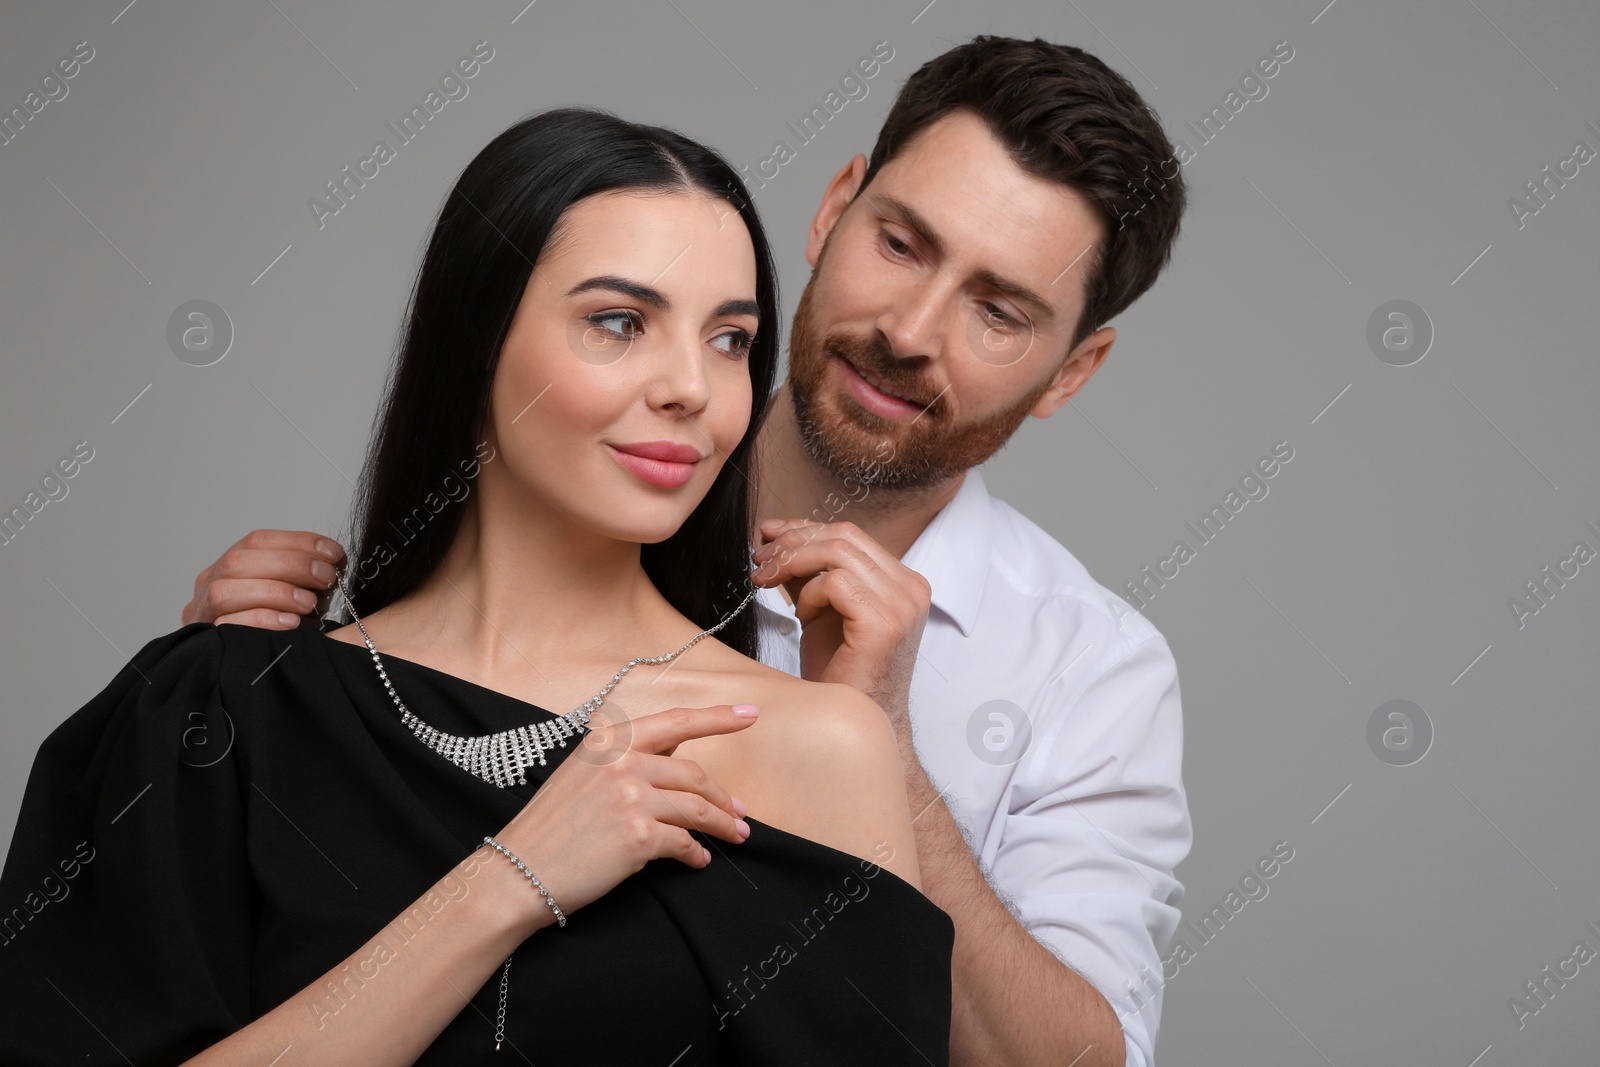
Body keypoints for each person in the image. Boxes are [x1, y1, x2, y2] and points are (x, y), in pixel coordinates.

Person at [182, 36, 1194, 1067]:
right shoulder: (574, 468)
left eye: (998, 310)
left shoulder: (1091, 668)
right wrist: (234, 703)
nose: (909, 328)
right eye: (900, 242)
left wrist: (879, 738)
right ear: (834, 204)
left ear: (1073, 372)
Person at [0, 107, 956, 1066]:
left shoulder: (814, 746)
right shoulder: (219, 704)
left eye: (731, 339)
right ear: (477, 336)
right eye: (619, 323)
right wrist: (509, 882)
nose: (692, 388)